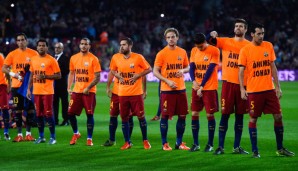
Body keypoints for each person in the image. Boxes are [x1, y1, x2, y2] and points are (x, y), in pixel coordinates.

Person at [238, 22, 295, 158]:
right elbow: (241, 71)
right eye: (258, 33)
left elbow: (273, 67)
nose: (261, 36)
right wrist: (242, 88)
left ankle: (280, 148)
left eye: (262, 33)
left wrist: (278, 86)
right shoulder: (245, 50)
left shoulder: (268, 46)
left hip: (269, 90)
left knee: (278, 116)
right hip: (254, 91)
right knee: (253, 119)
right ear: (252, 34)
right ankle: (255, 151)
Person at [208, 18, 250, 155]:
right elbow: (212, 41)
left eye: (241, 26)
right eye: (236, 26)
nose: (238, 28)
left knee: (240, 116)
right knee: (225, 115)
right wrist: (213, 34)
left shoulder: (249, 46)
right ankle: (220, 147)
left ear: (245, 30)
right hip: (228, 84)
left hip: (243, 86)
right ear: (234, 29)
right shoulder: (226, 41)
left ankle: (236, 147)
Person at [110, 37, 152, 150]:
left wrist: (138, 75)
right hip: (122, 94)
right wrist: (118, 76)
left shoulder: (138, 57)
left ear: (130, 46)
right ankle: (127, 142)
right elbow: (112, 70)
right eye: (121, 44)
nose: (121, 46)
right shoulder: (116, 58)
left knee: (141, 117)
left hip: (136, 93)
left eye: (124, 44)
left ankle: (145, 141)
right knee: (124, 118)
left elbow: (149, 69)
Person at [153, 28, 190, 151]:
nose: (171, 39)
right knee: (164, 116)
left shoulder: (182, 52)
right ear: (165, 39)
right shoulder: (161, 53)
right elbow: (155, 71)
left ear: (177, 37)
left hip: (181, 89)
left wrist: (183, 70)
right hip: (167, 90)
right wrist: (167, 81)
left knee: (182, 116)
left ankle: (179, 143)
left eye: (173, 37)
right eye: (168, 37)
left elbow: (188, 67)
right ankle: (165, 144)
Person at [2, 33, 37, 142]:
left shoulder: (33, 53)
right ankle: (19, 135)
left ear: (26, 41)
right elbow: (4, 68)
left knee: (30, 110)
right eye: (18, 40)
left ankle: (28, 134)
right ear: (16, 42)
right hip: (16, 87)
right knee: (17, 110)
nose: (21, 42)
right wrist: (14, 75)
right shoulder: (12, 54)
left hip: (29, 87)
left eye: (22, 40)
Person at [188, 33, 219, 152]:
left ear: (206, 41)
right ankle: (196, 144)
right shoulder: (194, 50)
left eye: (201, 46)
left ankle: (210, 144)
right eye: (198, 46)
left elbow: (210, 70)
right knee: (194, 113)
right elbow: (192, 67)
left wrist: (202, 86)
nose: (199, 49)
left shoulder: (214, 50)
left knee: (209, 115)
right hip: (197, 87)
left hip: (209, 88)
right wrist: (194, 81)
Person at [26, 39, 61, 144]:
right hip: (36, 92)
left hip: (47, 92)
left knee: (48, 114)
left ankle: (53, 137)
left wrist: (45, 76)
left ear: (47, 47)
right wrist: (28, 89)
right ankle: (41, 137)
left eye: (43, 45)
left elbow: (59, 75)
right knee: (39, 115)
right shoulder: (33, 59)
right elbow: (32, 75)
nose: (41, 47)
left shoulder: (51, 60)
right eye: (39, 45)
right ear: (37, 48)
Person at [67, 38, 101, 146]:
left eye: (86, 44)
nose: (83, 46)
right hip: (77, 91)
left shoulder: (94, 59)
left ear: (89, 46)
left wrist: (88, 87)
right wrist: (69, 87)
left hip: (89, 92)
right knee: (70, 113)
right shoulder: (74, 58)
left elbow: (97, 77)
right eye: (81, 44)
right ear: (79, 45)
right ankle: (76, 133)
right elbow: (72, 73)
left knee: (89, 114)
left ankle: (89, 138)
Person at [101, 71, 135, 146]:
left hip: (128, 92)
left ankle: (128, 140)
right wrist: (108, 87)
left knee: (128, 116)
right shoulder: (116, 59)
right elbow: (111, 72)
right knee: (113, 115)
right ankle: (111, 140)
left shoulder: (135, 59)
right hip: (116, 93)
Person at [53, 42, 70, 126]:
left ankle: (66, 120)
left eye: (58, 48)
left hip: (62, 85)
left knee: (64, 103)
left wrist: (55, 75)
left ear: (62, 49)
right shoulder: (52, 58)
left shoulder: (66, 58)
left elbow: (66, 71)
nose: (56, 49)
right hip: (53, 85)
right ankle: (55, 119)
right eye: (55, 47)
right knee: (54, 103)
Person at [0, 52, 11, 140]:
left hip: (2, 86)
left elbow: (5, 70)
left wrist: (9, 85)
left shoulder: (0, 57)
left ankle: (6, 132)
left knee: (5, 109)